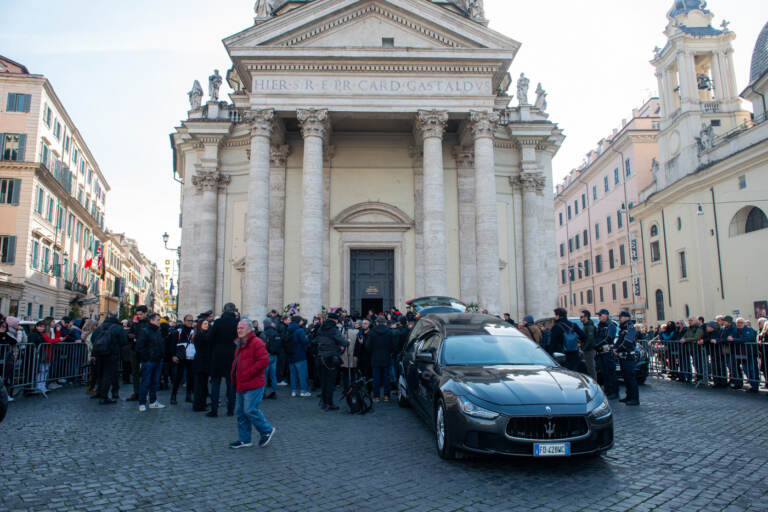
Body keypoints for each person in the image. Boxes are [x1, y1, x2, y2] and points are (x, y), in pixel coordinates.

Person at [229, 318, 275, 449]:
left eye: (242, 328)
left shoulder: (257, 343)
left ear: (249, 329)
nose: (239, 330)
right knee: (241, 413)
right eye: (238, 328)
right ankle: (244, 439)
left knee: (250, 410)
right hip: (241, 382)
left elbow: (263, 361)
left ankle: (266, 430)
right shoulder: (239, 343)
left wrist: (248, 373)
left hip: (254, 383)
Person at [209, 303, 239, 415]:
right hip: (232, 356)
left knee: (215, 383)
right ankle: (231, 409)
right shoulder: (237, 323)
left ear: (224, 310)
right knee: (231, 384)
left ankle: (214, 410)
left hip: (218, 355)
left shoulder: (218, 322)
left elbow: (210, 338)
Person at [92, 314, 127, 405]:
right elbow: (123, 341)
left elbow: (93, 338)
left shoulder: (100, 327)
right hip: (112, 354)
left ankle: (99, 392)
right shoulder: (118, 328)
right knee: (109, 374)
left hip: (99, 353)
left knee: (100, 373)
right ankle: (105, 396)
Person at [317, 312, 349, 411]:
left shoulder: (321, 328)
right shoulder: (334, 330)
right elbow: (344, 342)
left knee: (323, 381)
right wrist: (347, 342)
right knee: (330, 382)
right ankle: (330, 403)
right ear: (335, 320)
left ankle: (324, 401)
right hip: (331, 358)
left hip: (320, 357)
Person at [136, 313, 167, 412]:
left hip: (157, 360)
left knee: (155, 382)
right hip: (149, 360)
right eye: (158, 320)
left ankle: (153, 401)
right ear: (151, 320)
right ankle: (142, 402)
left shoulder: (158, 331)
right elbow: (140, 346)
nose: (159, 322)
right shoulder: (145, 331)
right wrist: (146, 357)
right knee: (145, 382)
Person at [366, 316, 394, 402]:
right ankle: (386, 396)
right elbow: (393, 346)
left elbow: (368, 346)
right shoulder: (389, 332)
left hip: (375, 357)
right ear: (385, 322)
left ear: (376, 322)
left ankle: (376, 396)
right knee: (386, 377)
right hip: (386, 357)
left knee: (376, 378)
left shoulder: (371, 332)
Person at [614, 311, 639, 406]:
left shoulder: (630, 327)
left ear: (626, 318)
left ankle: (634, 398)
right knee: (626, 378)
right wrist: (614, 348)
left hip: (628, 356)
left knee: (631, 378)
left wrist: (618, 349)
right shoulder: (623, 328)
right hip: (623, 356)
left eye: (620, 317)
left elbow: (628, 341)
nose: (619, 319)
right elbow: (619, 340)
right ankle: (629, 396)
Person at [188, 316, 211, 414]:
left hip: (203, 362)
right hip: (201, 362)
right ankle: (198, 404)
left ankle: (201, 403)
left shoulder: (202, 334)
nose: (207, 325)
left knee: (203, 384)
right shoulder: (200, 335)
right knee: (200, 385)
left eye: (207, 324)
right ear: (200, 325)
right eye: (205, 324)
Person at [125, 306, 149, 401]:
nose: (139, 316)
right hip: (134, 349)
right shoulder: (135, 323)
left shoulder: (148, 324)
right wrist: (130, 336)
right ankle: (136, 392)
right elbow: (130, 333)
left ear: (145, 313)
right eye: (138, 314)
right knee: (135, 372)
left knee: (145, 372)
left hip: (144, 351)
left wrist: (136, 336)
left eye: (141, 314)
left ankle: (144, 392)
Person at [594, 309, 619, 399]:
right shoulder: (599, 326)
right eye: (599, 315)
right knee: (604, 373)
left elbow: (609, 338)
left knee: (610, 373)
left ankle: (614, 392)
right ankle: (608, 391)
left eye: (601, 315)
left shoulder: (611, 326)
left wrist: (597, 345)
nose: (599, 317)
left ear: (606, 315)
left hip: (607, 353)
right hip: (600, 353)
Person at [171, 314, 195, 405]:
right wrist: (173, 355)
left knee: (190, 377)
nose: (190, 322)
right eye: (188, 321)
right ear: (184, 321)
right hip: (181, 356)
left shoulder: (194, 331)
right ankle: (173, 396)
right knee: (178, 377)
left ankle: (188, 396)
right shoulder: (178, 331)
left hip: (191, 357)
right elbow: (173, 344)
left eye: (191, 321)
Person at [732, 317, 760, 392]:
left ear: (744, 323)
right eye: (738, 322)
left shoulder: (748, 330)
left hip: (750, 353)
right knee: (746, 370)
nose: (739, 324)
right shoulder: (736, 330)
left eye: (741, 322)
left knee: (752, 369)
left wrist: (734, 340)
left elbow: (746, 339)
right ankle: (752, 384)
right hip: (742, 354)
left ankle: (755, 386)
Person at [288, 316, 311, 397]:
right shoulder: (300, 330)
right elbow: (305, 341)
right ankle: (303, 391)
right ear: (298, 321)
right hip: (300, 354)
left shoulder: (289, 330)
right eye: (301, 320)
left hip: (291, 355)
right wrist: (308, 338)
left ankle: (293, 391)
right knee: (302, 374)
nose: (302, 322)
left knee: (293, 375)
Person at [261, 319, 281, 399]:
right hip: (274, 355)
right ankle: (274, 391)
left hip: (266, 355)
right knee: (273, 375)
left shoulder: (263, 333)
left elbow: (261, 345)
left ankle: (263, 392)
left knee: (265, 375)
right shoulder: (276, 332)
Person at [682, 317, 704, 383]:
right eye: (689, 320)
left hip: (697, 348)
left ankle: (701, 377)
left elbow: (696, 337)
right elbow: (685, 335)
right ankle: (698, 376)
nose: (689, 322)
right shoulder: (689, 328)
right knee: (694, 363)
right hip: (690, 348)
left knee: (698, 363)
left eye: (691, 320)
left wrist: (685, 340)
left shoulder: (699, 328)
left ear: (695, 321)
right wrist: (683, 338)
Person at [579, 310, 598, 381]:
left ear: (586, 317)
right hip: (587, 350)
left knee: (591, 369)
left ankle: (594, 384)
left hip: (589, 350)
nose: (580, 318)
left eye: (581, 317)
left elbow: (590, 339)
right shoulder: (585, 326)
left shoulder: (589, 326)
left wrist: (584, 348)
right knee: (588, 368)